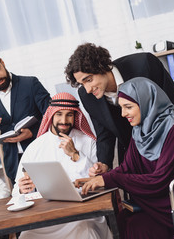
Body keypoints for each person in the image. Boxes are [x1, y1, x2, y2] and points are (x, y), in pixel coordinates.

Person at [76, 78, 174, 239]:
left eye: (128, 107)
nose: (123, 114)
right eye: (121, 107)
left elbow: (160, 179)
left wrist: (111, 179)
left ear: (147, 103)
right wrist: (100, 178)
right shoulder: (139, 132)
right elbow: (127, 168)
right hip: (166, 202)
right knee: (123, 219)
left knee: (140, 229)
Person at [65, 43, 174, 176]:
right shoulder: (86, 96)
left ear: (101, 66)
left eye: (89, 80)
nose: (87, 89)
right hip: (133, 157)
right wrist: (103, 163)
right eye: (82, 84)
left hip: (170, 145)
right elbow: (104, 134)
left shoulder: (145, 65)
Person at [12, 92, 112, 239]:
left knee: (83, 232)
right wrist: (22, 189)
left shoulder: (87, 141)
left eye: (69, 115)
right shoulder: (35, 146)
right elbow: (16, 189)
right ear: (51, 115)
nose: (64, 120)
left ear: (75, 116)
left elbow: (97, 183)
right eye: (59, 114)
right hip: (47, 214)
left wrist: (76, 155)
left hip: (82, 212)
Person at [0, 50, 50, 184]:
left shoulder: (30, 83)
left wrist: (32, 132)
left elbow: (52, 116)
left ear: (3, 63)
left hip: (41, 155)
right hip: (14, 163)